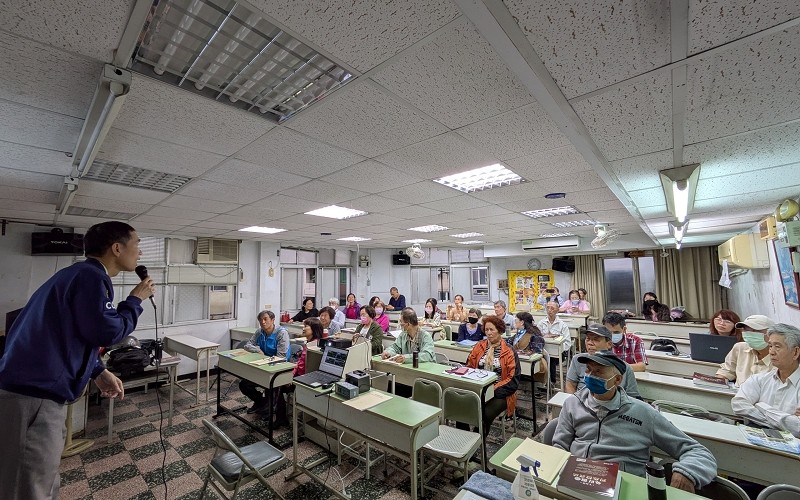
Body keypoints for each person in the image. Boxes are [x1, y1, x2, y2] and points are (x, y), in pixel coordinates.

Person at [0, 221, 154, 500]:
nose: (140, 253)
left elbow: (73, 334)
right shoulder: (91, 277)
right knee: (28, 486)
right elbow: (106, 331)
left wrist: (97, 370)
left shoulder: (75, 275)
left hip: (34, 392)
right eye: (137, 245)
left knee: (41, 478)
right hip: (34, 397)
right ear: (117, 248)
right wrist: (135, 300)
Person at [553, 351, 716, 492]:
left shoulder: (643, 413)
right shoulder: (573, 403)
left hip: (624, 485)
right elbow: (559, 446)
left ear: (617, 380)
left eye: (598, 372)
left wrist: (686, 472)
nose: (590, 376)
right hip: (577, 480)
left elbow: (698, 452)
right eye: (588, 370)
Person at [732, 323, 800, 437]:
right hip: (755, 438)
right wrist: (784, 421)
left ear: (795, 352)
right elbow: (738, 405)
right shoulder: (759, 379)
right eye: (770, 346)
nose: (771, 352)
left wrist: (760, 406)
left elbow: (798, 427)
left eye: (777, 346)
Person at [466, 316, 521, 436]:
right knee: (460, 405)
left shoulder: (509, 351)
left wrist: (491, 391)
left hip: (500, 393)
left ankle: (478, 439)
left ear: (499, 330)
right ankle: (463, 436)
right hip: (478, 388)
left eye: (492, 330)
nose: (489, 333)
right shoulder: (479, 346)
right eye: (486, 330)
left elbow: (513, 380)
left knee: (485, 413)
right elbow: (469, 367)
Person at [564, 325, 640, 398]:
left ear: (609, 344)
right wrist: (575, 401)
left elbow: (632, 396)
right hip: (582, 401)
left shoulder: (625, 368)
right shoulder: (578, 359)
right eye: (588, 339)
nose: (590, 343)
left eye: (596, 340)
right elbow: (570, 384)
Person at [274, 317, 323, 427]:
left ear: (314, 328)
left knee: (277, 385)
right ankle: (277, 414)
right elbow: (299, 363)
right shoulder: (309, 343)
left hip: (304, 380)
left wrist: (292, 376)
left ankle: (281, 418)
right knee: (277, 384)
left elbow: (305, 367)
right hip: (299, 377)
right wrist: (291, 375)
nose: (303, 328)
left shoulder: (315, 345)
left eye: (306, 326)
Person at [240, 310, 290, 414]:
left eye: (265, 319)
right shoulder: (260, 332)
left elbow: (281, 357)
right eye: (260, 320)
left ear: (273, 320)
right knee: (244, 385)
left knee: (271, 386)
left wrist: (266, 361)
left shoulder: (281, 333)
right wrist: (257, 350)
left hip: (279, 368)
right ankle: (260, 402)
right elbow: (248, 345)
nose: (262, 322)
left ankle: (271, 409)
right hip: (263, 366)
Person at [716, 315, 775, 386]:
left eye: (755, 330)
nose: (749, 333)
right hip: (736, 391)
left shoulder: (780, 357)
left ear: (771, 333)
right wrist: (717, 384)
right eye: (746, 330)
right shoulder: (740, 348)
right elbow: (726, 371)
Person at [538, 300, 572, 385]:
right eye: (548, 308)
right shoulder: (541, 323)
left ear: (557, 310)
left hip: (558, 353)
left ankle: (551, 382)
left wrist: (558, 348)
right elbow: (536, 338)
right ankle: (539, 381)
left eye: (552, 308)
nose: (549, 310)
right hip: (543, 350)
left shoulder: (562, 325)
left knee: (551, 359)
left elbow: (568, 343)